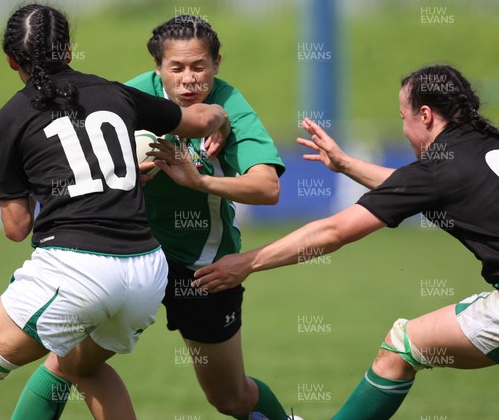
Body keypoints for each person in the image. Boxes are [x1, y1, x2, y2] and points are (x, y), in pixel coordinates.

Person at [0, 4, 230, 420]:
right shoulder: (116, 93)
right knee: (83, 367)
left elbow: (16, 227)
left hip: (77, 270)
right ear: (68, 51)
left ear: (11, 59)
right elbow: (203, 118)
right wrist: (222, 118)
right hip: (145, 274)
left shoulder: (10, 119)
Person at [12, 15, 302, 420]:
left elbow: (267, 188)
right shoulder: (128, 97)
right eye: (176, 68)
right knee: (66, 363)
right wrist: (127, 176)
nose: (188, 80)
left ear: (217, 63)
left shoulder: (231, 106)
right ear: (158, 68)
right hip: (132, 255)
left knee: (230, 398)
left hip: (204, 267)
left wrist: (198, 182)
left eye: (199, 67)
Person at [192, 64, 499, 419]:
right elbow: (418, 188)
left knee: (401, 347)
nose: (403, 128)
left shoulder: (438, 171)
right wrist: (347, 164)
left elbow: (333, 232)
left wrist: (247, 263)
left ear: (426, 116)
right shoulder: (482, 147)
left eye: (403, 117)